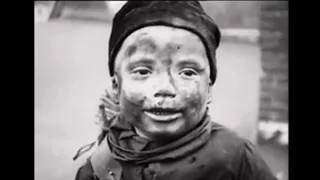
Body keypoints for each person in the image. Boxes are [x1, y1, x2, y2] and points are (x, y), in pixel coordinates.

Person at [74, 1, 277, 180]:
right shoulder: (102, 162)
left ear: (209, 88)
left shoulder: (235, 156)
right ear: (116, 87)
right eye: (143, 71)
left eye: (187, 72)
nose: (165, 88)